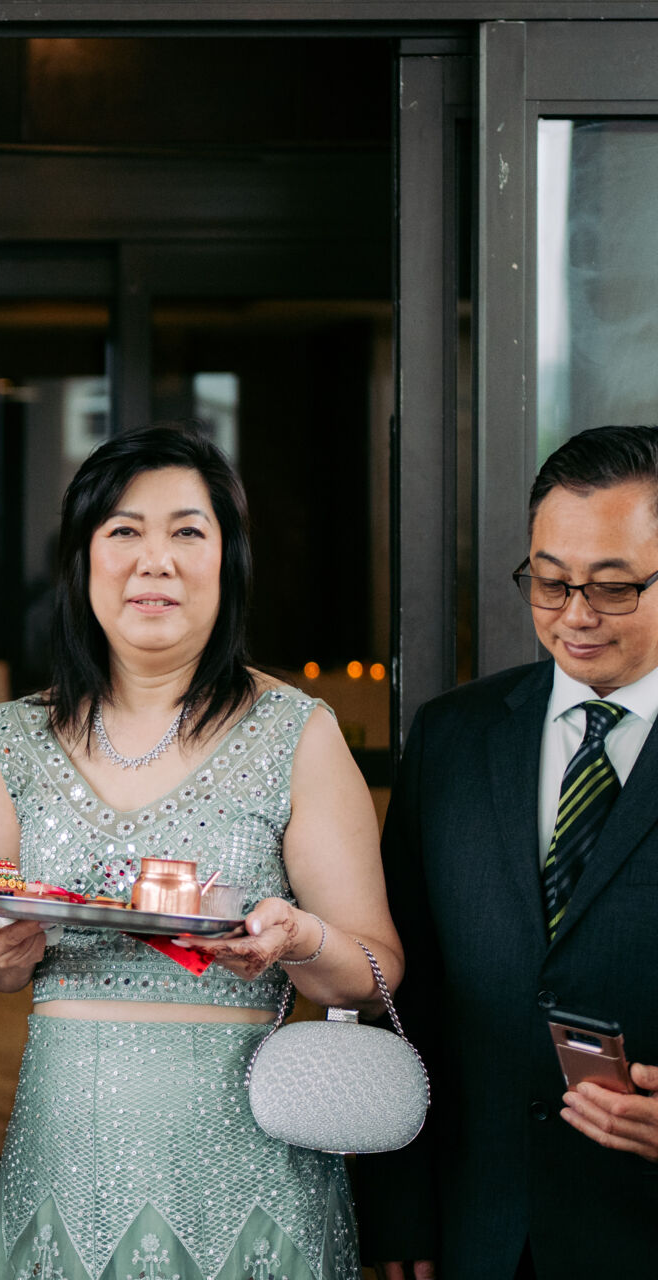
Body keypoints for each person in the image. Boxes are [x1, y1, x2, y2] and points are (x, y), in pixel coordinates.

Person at [0, 423, 400, 1280]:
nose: (154, 561)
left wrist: (300, 939)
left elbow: (377, 969)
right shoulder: (20, 736)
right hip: (62, 1167)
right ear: (82, 560)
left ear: (228, 561)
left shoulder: (295, 733)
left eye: (188, 532)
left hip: (249, 1172)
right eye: (124, 530)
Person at [355, 425, 658, 1280]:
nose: (575, 616)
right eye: (550, 582)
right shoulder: (453, 738)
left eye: (613, 588)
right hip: (481, 1227)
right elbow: (403, 987)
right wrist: (398, 1209)